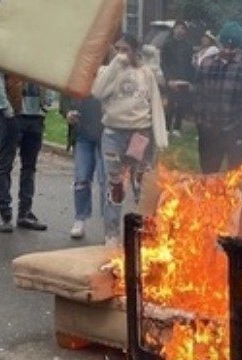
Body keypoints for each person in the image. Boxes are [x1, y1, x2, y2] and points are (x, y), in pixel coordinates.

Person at [92, 33, 167, 246]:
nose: (121, 54)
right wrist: (115, 63)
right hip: (113, 134)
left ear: (135, 50)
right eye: (117, 49)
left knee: (140, 183)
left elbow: (155, 104)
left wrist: (160, 137)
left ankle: (145, 232)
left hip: (139, 134)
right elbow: (97, 92)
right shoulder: (107, 71)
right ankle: (112, 235)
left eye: (125, 49)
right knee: (115, 183)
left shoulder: (146, 73)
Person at [192, 21, 242, 174]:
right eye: (225, 46)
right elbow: (197, 94)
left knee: (235, 177)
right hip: (209, 129)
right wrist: (200, 121)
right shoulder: (207, 63)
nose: (228, 50)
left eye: (233, 47)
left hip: (235, 130)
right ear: (219, 42)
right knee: (208, 175)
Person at [0, 69, 49, 233]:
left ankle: (25, 213)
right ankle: (5, 215)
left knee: (29, 166)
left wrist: (45, 107)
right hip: (12, 114)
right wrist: (5, 109)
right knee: (6, 164)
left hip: (35, 116)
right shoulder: (6, 48)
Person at [65, 95, 105, 239]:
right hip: (83, 133)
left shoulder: (109, 73)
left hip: (107, 133)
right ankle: (79, 219)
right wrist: (67, 111)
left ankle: (110, 226)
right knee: (81, 178)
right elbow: (66, 93)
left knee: (105, 181)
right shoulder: (81, 75)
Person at [160, 20, 193, 137]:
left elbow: (190, 64)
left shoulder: (188, 46)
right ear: (174, 30)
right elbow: (164, 63)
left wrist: (190, 81)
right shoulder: (167, 44)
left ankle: (177, 128)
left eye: (182, 28)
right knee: (171, 104)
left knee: (181, 104)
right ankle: (167, 127)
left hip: (183, 78)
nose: (180, 30)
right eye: (178, 28)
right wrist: (168, 79)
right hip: (171, 79)